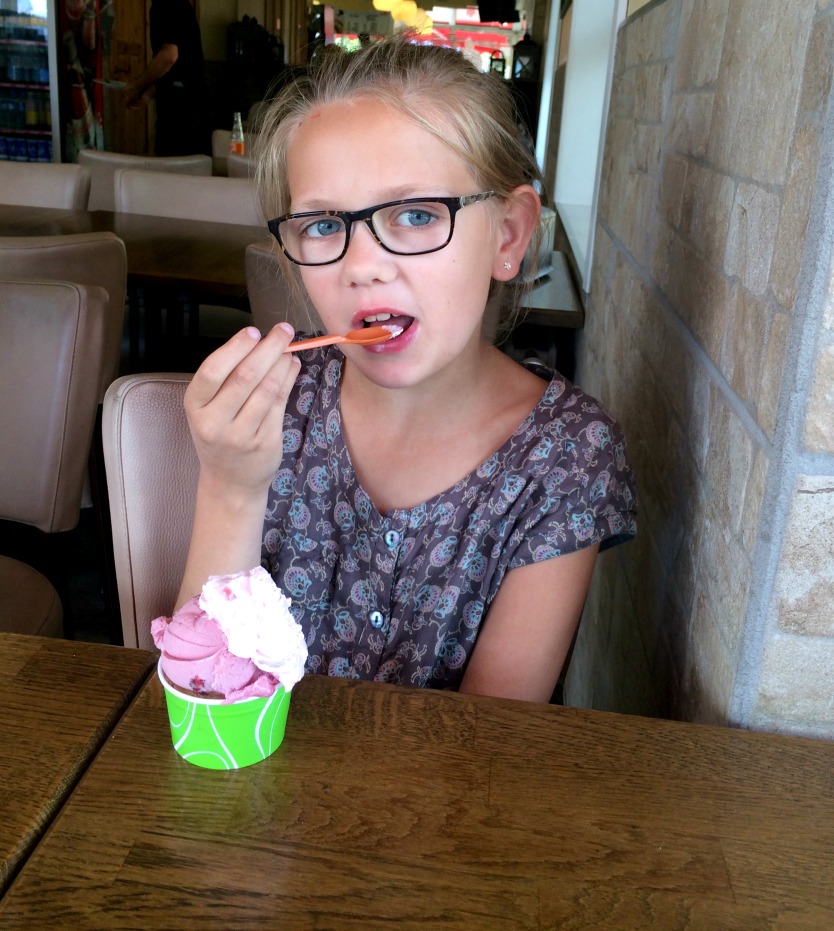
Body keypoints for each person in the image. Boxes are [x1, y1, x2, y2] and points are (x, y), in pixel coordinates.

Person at [176, 34, 637, 703]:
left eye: (417, 215)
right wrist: (229, 486)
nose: (361, 265)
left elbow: (484, 738)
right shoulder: (274, 409)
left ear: (507, 235)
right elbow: (198, 694)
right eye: (323, 226)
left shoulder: (568, 456)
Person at [125, 0, 209, 156]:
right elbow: (179, 69)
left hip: (182, 113)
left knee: (172, 163)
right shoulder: (173, 5)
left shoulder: (167, 4)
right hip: (188, 105)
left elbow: (169, 56)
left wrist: (138, 83)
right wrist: (148, 93)